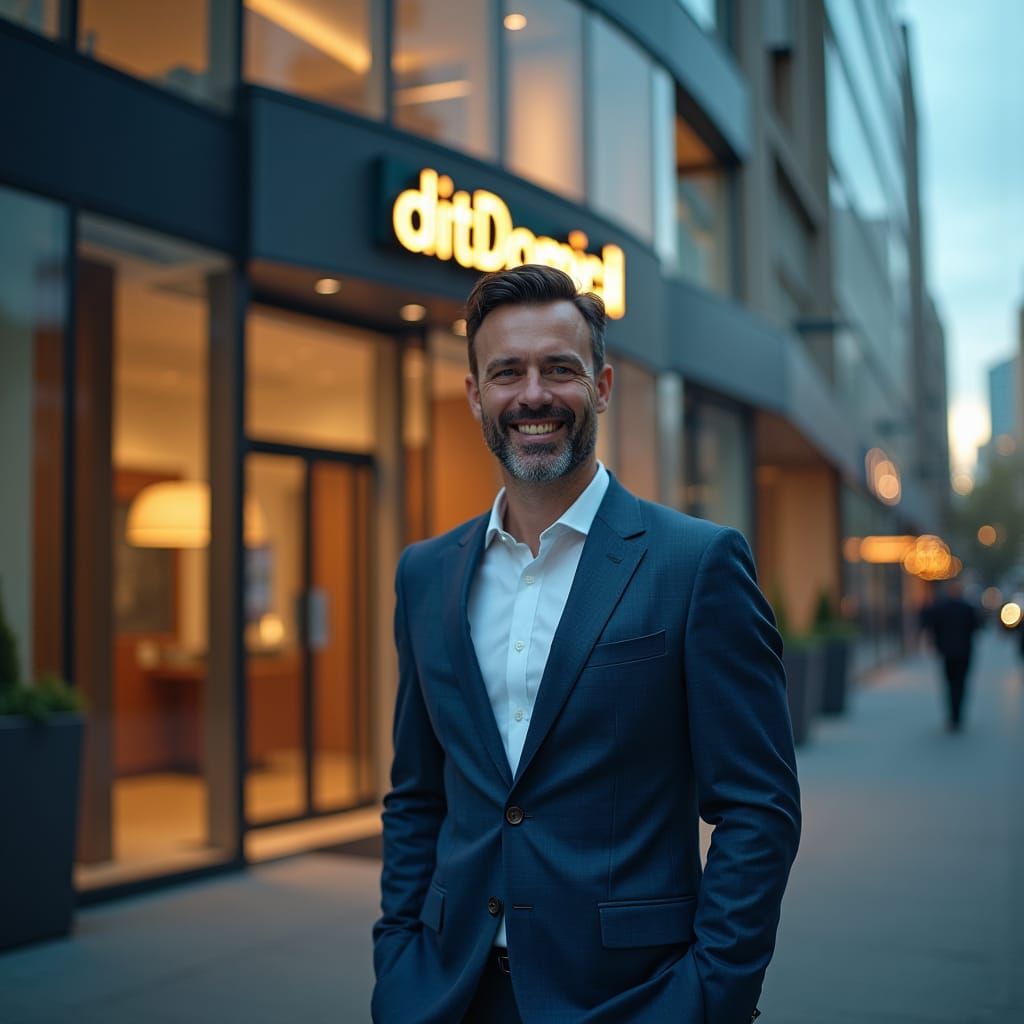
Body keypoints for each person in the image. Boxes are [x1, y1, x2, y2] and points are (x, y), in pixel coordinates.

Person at [372, 265, 801, 1024]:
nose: (532, 395)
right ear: (476, 394)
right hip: (446, 990)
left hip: (633, 997)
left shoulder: (695, 564)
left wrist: (709, 997)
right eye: (507, 372)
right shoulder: (426, 574)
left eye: (558, 369)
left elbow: (758, 808)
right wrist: (398, 958)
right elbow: (418, 795)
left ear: (601, 386)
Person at [919, 581, 982, 731]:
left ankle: (953, 715)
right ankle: (957, 714)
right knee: (960, 683)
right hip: (964, 652)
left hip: (947, 652)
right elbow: (976, 627)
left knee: (950, 683)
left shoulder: (941, 608)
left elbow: (931, 627)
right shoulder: (967, 608)